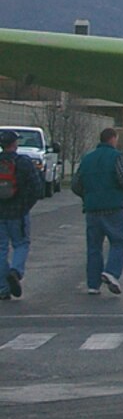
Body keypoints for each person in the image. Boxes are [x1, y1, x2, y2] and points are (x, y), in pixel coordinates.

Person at [74, 127, 123, 296]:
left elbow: (76, 184)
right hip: (113, 207)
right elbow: (122, 177)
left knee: (94, 247)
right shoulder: (116, 156)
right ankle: (112, 272)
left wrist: (87, 197)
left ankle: (93, 284)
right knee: (119, 241)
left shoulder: (87, 158)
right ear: (113, 139)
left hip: (92, 209)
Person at [0, 128, 46, 301]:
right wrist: (25, 206)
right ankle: (16, 271)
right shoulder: (23, 162)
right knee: (21, 244)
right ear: (14, 144)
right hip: (18, 212)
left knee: (1, 249)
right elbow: (36, 188)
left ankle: (3, 288)